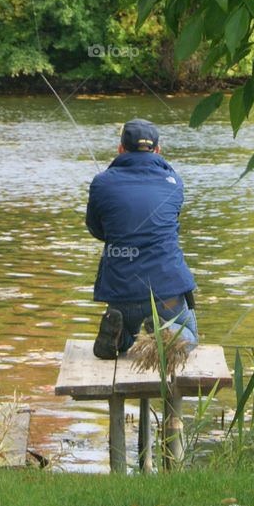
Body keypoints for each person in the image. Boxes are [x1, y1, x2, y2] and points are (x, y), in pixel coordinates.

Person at [86, 118, 197, 359]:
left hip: (121, 291)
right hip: (167, 292)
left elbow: (95, 229)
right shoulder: (174, 183)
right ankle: (164, 330)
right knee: (189, 333)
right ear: (158, 150)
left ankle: (118, 336)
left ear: (120, 149)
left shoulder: (101, 182)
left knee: (126, 333)